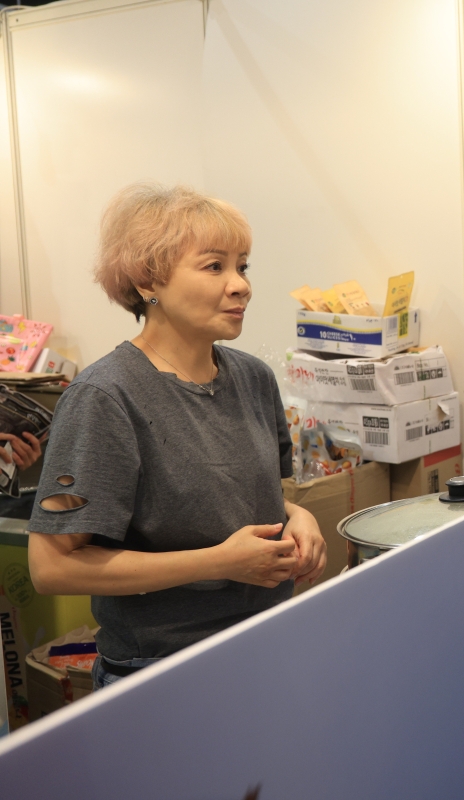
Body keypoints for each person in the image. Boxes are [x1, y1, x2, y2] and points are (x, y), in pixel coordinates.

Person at [26, 183, 326, 688]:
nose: (240, 285)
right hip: (164, 672)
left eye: (242, 266)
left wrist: (299, 516)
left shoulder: (253, 378)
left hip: (267, 643)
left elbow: (244, 495)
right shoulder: (106, 397)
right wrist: (217, 563)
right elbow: (53, 568)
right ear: (148, 280)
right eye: (214, 266)